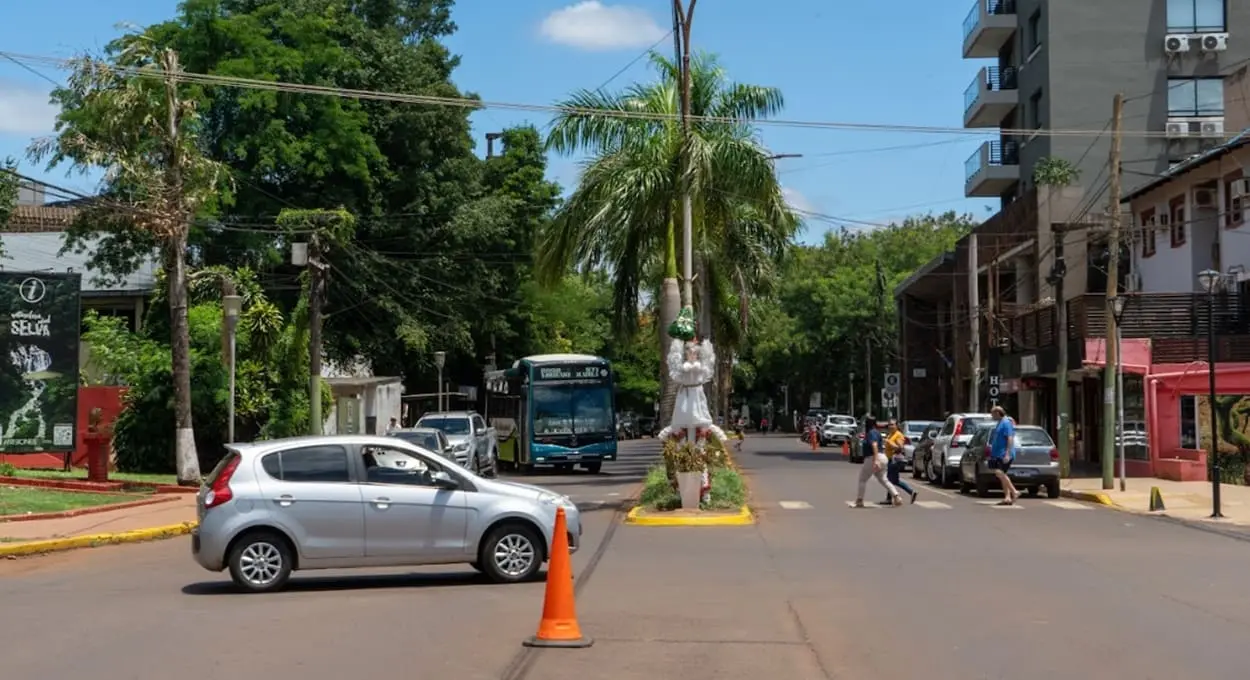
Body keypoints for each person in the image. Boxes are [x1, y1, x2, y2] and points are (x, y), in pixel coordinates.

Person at [855, 415, 902, 507]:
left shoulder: (871, 433)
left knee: (862, 479)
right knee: (883, 479)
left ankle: (859, 500)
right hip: (882, 457)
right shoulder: (876, 432)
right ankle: (896, 496)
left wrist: (876, 461)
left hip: (873, 457)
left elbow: (874, 445)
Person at [988, 406, 1020, 505]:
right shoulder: (1000, 423)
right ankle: (1007, 497)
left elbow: (1010, 438)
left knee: (999, 472)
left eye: (993, 414)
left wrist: (1007, 453)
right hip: (998, 454)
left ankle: (1014, 491)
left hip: (1004, 454)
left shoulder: (1006, 423)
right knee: (1003, 475)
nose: (992, 416)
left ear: (998, 413)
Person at [881, 420, 918, 504]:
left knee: (889, 480)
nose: (890, 426)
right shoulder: (891, 434)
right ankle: (911, 492)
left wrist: (890, 442)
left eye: (892, 425)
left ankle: (890, 499)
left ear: (897, 426)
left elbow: (900, 447)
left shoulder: (898, 435)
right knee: (894, 480)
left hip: (894, 460)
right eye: (889, 425)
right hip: (890, 459)